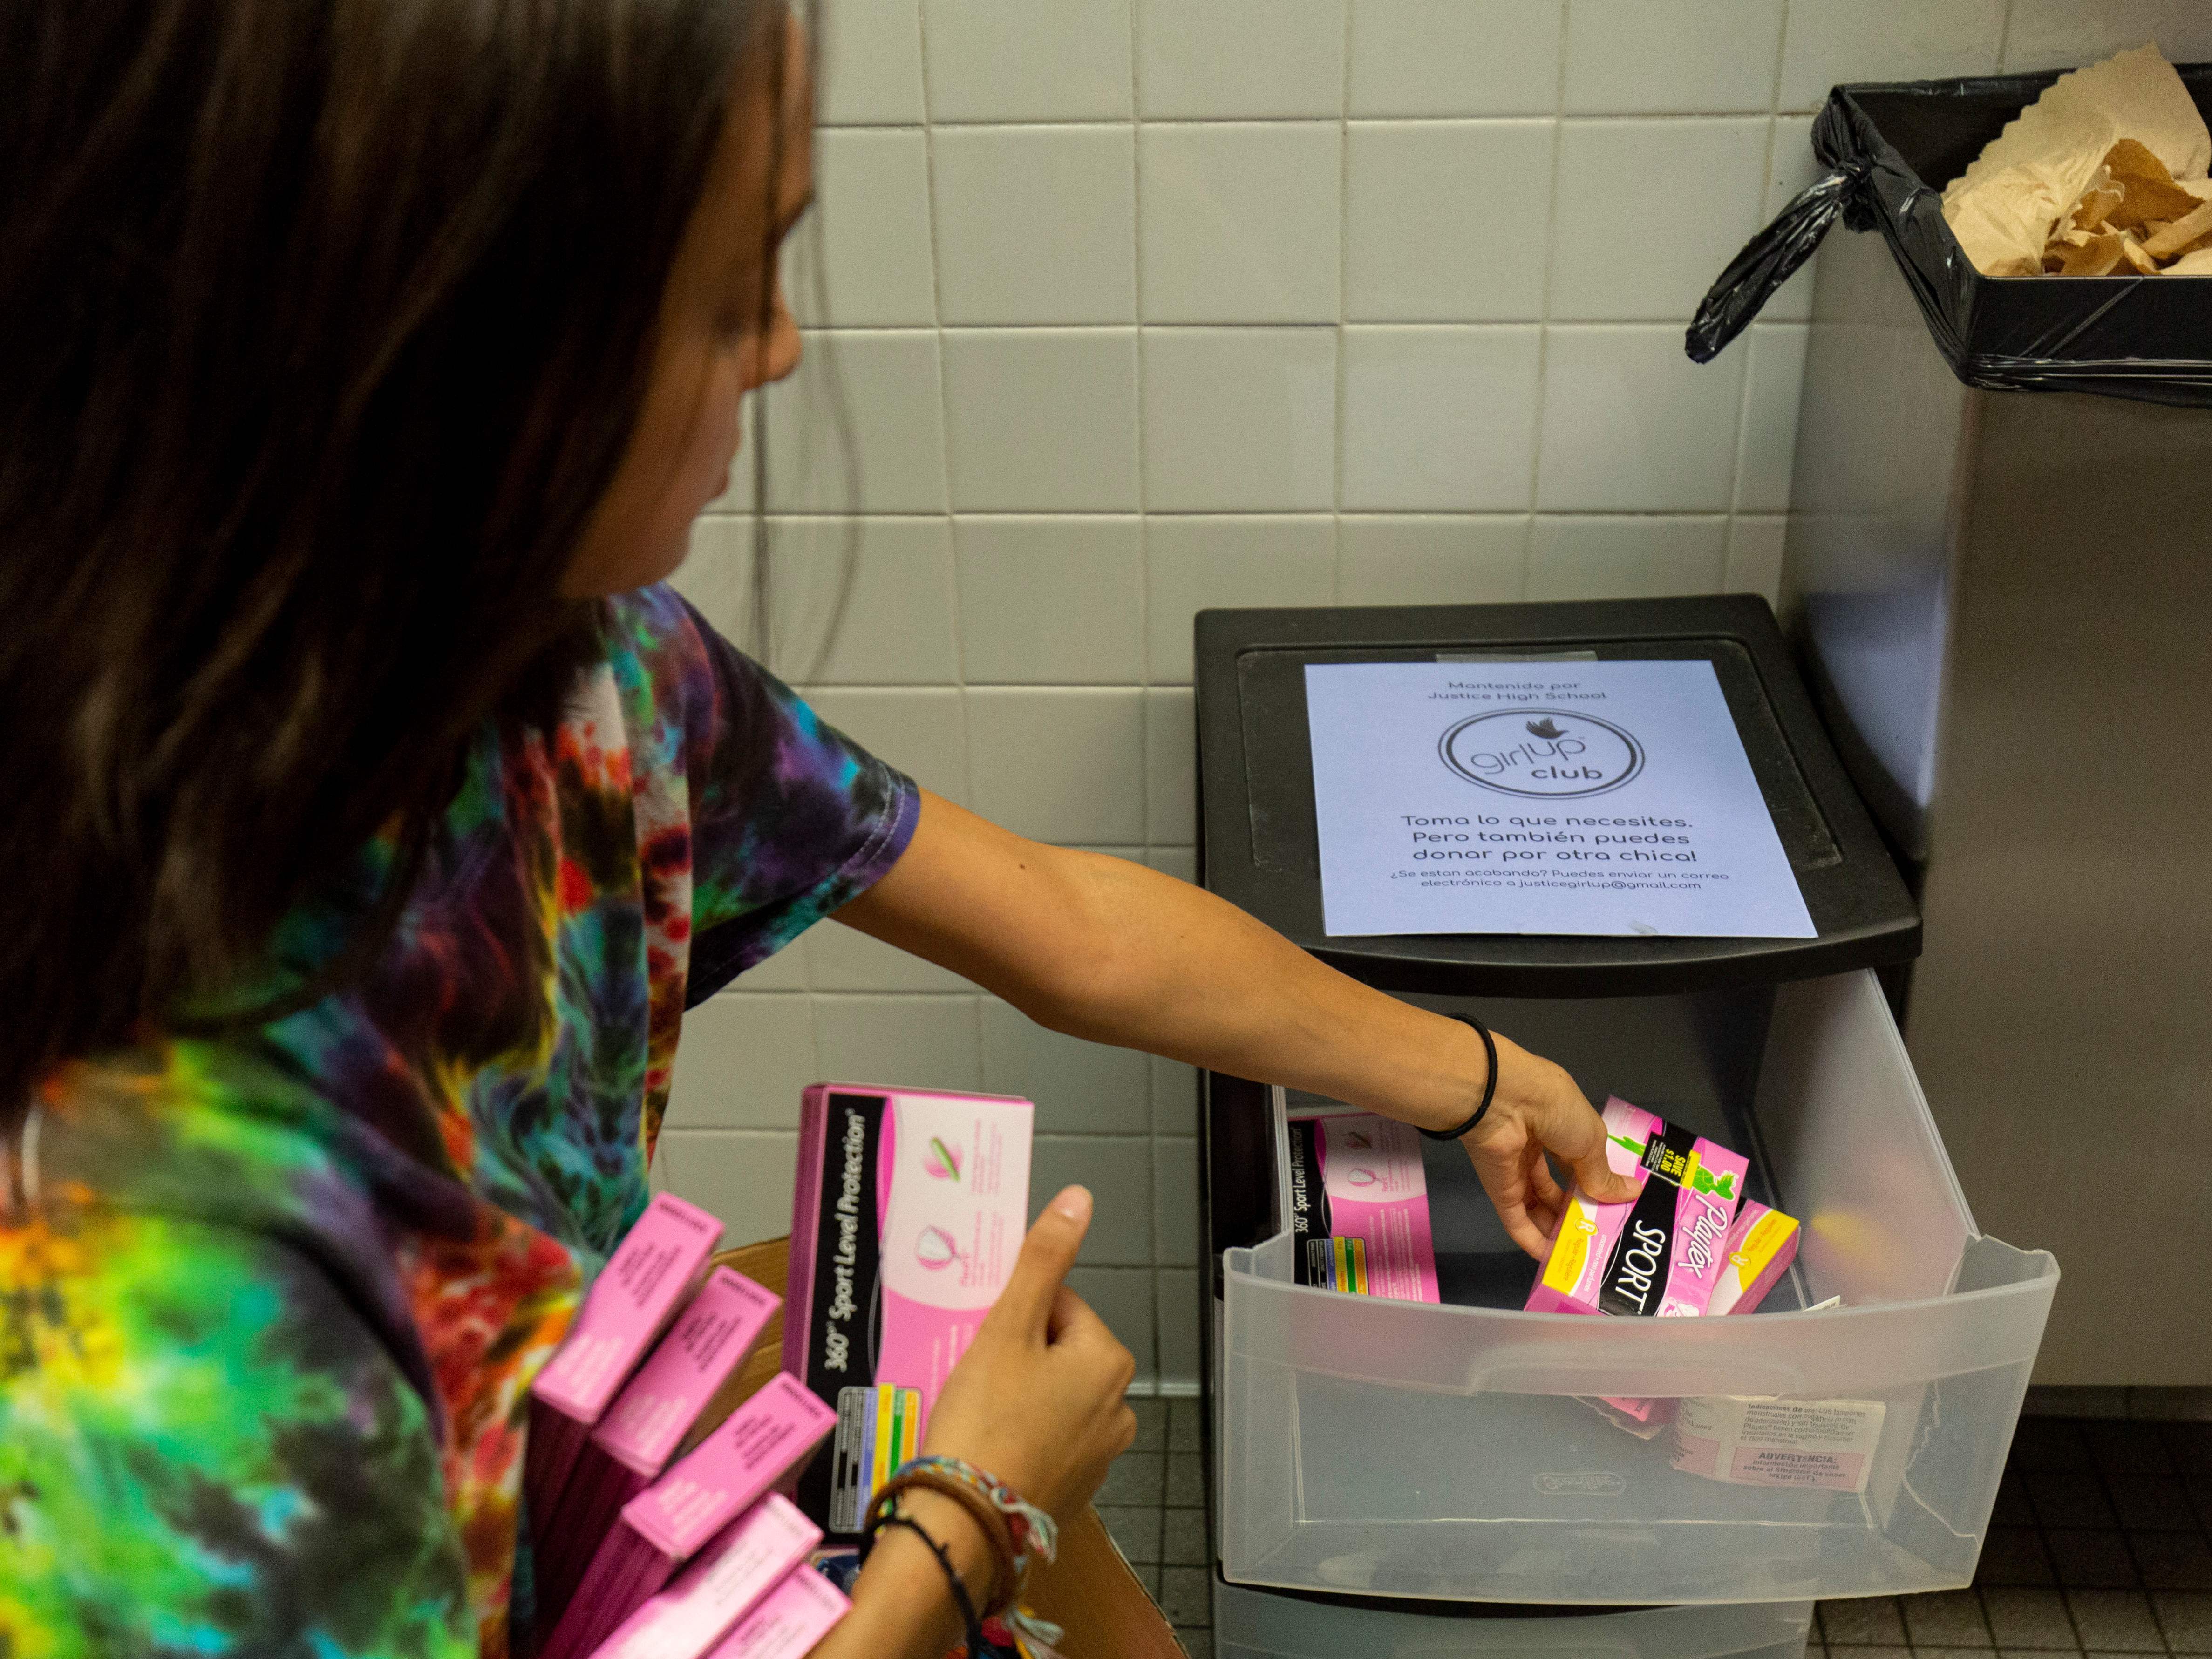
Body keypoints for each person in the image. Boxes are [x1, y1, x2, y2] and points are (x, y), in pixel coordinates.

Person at [0, 4, 1638, 1656]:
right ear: (452, 353)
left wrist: (1491, 1079)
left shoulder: (571, 671)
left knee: (862, 1298)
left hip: (546, 1527)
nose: (781, 349)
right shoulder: (164, 1284)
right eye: (725, 299)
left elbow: (1064, 929)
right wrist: (970, 1518)